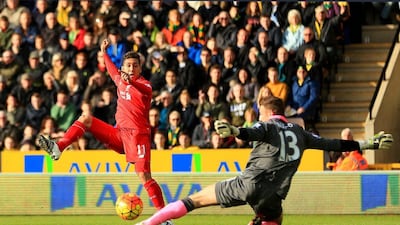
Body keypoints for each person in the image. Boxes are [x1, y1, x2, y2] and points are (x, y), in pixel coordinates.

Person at [134, 95, 393, 225]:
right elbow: (333, 144)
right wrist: (367, 143)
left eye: (261, 112)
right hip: (273, 194)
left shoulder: (267, 126)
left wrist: (236, 131)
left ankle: (149, 223)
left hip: (249, 182)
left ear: (269, 113)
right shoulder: (301, 133)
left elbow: (251, 132)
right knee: (274, 218)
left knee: (195, 200)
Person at [38, 39, 173, 224]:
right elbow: (111, 70)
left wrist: (131, 82)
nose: (132, 68)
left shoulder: (145, 86)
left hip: (138, 136)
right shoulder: (120, 80)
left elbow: (141, 88)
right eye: (128, 65)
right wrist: (105, 53)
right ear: (123, 67)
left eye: (135, 66)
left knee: (143, 175)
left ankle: (164, 218)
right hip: (119, 134)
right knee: (85, 118)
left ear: (140, 69)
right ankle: (58, 147)